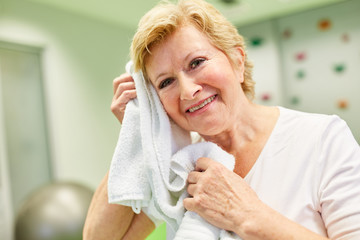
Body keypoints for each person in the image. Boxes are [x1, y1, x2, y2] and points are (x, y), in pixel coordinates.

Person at [83, 0, 360, 239]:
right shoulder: (179, 165)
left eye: (196, 62)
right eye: (166, 82)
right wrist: (140, 134)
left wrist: (246, 216)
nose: (188, 91)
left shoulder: (323, 139)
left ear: (237, 61)